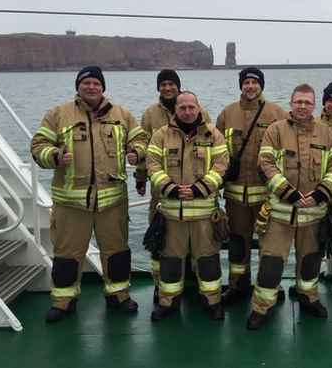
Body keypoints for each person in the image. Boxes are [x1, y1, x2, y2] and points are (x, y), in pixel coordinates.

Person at [31, 66, 147, 323]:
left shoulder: (122, 114)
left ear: (103, 87)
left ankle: (119, 295)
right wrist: (55, 156)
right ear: (78, 86)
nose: (92, 87)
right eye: (87, 83)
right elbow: (38, 146)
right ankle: (64, 300)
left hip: (113, 201)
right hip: (71, 203)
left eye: (96, 83)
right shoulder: (58, 114)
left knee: (116, 251)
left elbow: (141, 140)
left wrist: (136, 153)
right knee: (67, 255)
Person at [246, 83, 332, 330]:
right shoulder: (275, 131)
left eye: (307, 102)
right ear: (291, 103)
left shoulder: (327, 134)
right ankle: (261, 308)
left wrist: (321, 193)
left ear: (314, 105)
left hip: (313, 213)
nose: (302, 106)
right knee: (271, 263)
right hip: (280, 214)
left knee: (310, 261)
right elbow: (265, 163)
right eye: (298, 102)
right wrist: (288, 193)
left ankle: (308, 298)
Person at [146, 91, 229, 321]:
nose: (187, 111)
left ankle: (212, 302)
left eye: (192, 107)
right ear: (176, 110)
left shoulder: (214, 135)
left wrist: (198, 189)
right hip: (172, 215)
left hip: (204, 216)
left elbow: (222, 166)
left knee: (208, 261)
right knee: (170, 262)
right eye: (183, 108)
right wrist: (170, 188)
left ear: (199, 108)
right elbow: (152, 165)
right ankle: (168, 303)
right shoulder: (161, 136)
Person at [135, 69, 211, 300]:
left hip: (195, 191)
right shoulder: (150, 114)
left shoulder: (200, 111)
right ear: (159, 88)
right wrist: (140, 177)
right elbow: (146, 150)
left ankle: (195, 284)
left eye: (171, 84)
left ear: (178, 87)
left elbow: (211, 147)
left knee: (198, 243)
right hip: (162, 192)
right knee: (162, 241)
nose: (167, 88)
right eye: (163, 84)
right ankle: (162, 286)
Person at [215, 67, 288, 304]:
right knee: (237, 243)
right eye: (246, 82)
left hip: (268, 196)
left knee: (270, 247)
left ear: (261, 86)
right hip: (236, 196)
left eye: (254, 82)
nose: (250, 86)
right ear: (241, 86)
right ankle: (238, 287)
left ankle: (270, 289)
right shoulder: (227, 113)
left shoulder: (277, 113)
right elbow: (215, 151)